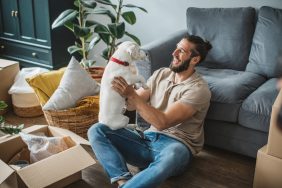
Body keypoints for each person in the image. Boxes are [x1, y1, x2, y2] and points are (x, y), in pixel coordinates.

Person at [88, 35, 212, 188]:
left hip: (176, 145)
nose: (173, 53)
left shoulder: (199, 89)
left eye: (181, 51)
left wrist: (132, 95)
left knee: (173, 155)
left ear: (195, 59)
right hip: (146, 140)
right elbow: (133, 105)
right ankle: (123, 181)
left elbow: (162, 122)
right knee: (97, 130)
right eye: (176, 48)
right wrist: (121, 90)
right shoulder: (161, 74)